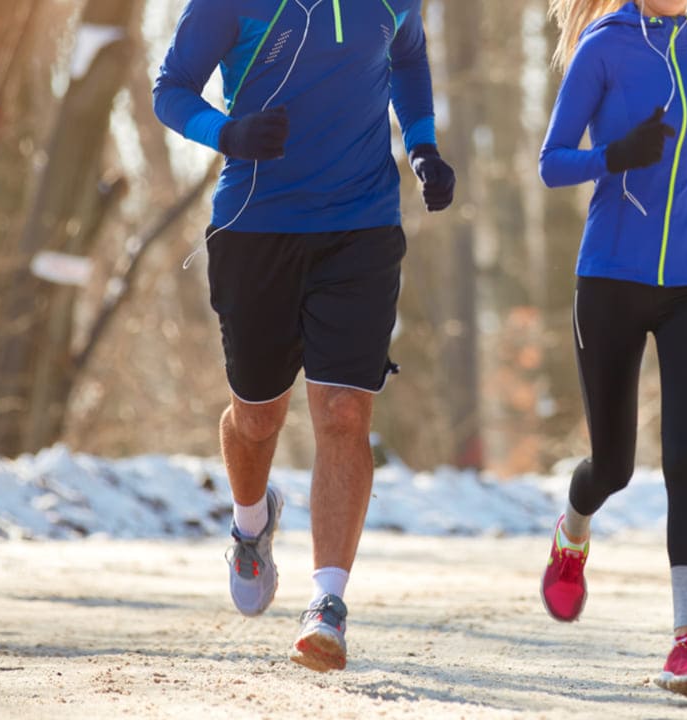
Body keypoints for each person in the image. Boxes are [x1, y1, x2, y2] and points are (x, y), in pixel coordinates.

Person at [153, 0, 454, 673]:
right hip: (256, 224)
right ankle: (251, 523)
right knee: (257, 416)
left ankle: (328, 603)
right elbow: (170, 90)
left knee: (345, 411)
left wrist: (424, 145)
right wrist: (225, 133)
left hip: (362, 225)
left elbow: (406, 56)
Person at [538, 0, 687, 700]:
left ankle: (686, 642)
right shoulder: (603, 50)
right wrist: (614, 157)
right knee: (614, 465)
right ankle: (573, 528)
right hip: (610, 275)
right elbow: (552, 163)